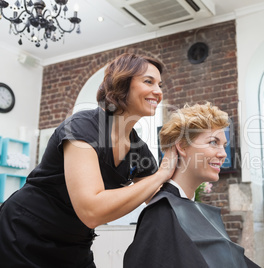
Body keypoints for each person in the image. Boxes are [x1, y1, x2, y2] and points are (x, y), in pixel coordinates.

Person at [0, 53, 177, 268]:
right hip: (24, 234)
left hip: (74, 243)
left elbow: (160, 201)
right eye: (148, 81)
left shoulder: (139, 150)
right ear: (121, 84)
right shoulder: (81, 127)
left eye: (160, 84)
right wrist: (160, 175)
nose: (158, 92)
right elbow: (92, 211)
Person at [123, 103, 260, 268]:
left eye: (223, 145)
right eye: (213, 142)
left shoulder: (192, 209)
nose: (223, 153)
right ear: (182, 146)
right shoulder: (162, 212)